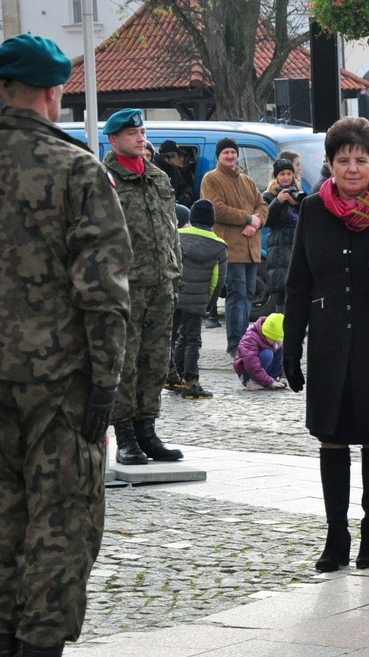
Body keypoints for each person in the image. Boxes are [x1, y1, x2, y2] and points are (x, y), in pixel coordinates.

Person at [0, 34, 132, 657]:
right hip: (61, 380)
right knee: (63, 522)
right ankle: (40, 654)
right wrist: (107, 385)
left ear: (0, 88)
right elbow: (104, 292)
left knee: (1, 517)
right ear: (55, 92)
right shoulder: (78, 170)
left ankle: (0, 649)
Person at [283, 116, 369, 572]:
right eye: (343, 160)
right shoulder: (312, 210)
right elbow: (299, 280)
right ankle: (335, 534)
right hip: (329, 344)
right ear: (330, 163)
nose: (352, 168)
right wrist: (291, 344)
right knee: (333, 439)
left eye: (361, 159)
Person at [101, 109, 184, 466]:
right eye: (132, 132)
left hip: (161, 283)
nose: (140, 137)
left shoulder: (157, 177)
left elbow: (168, 229)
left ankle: (147, 429)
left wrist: (174, 271)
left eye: (142, 131)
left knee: (156, 360)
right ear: (114, 139)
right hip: (125, 286)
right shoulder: (103, 180)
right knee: (126, 360)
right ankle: (125, 435)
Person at [201, 137, 268, 356]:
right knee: (237, 296)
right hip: (231, 248)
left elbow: (263, 204)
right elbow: (217, 208)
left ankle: (245, 342)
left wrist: (256, 221)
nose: (230, 156)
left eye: (233, 152)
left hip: (251, 248)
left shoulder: (247, 180)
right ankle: (236, 344)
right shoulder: (211, 179)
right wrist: (248, 219)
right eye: (225, 153)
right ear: (219, 156)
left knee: (248, 295)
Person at [173, 199, 225, 399]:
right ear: (212, 221)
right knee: (193, 339)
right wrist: (209, 303)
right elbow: (218, 280)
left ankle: (175, 376)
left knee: (176, 337)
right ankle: (191, 381)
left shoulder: (178, 236)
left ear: (192, 219)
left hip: (177, 295)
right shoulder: (219, 246)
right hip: (198, 300)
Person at [263, 158, 303, 313]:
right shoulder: (268, 195)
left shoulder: (298, 193)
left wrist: (297, 203)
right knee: (281, 290)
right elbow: (265, 220)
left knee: (297, 288)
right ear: (276, 177)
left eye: (289, 174)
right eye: (282, 174)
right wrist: (278, 202)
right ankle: (281, 326)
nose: (286, 177)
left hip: (295, 246)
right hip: (279, 249)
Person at [233, 313, 287, 391]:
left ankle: (272, 379)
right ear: (265, 332)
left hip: (264, 371)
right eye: (273, 339)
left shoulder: (278, 340)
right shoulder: (251, 338)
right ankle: (253, 382)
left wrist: (284, 377)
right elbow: (252, 365)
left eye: (278, 339)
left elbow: (284, 360)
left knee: (281, 351)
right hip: (248, 372)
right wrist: (269, 382)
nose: (276, 341)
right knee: (267, 354)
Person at [155, 140, 194, 206]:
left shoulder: (174, 169)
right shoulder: (154, 170)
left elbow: (183, 186)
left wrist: (187, 195)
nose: (180, 159)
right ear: (167, 158)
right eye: (178, 156)